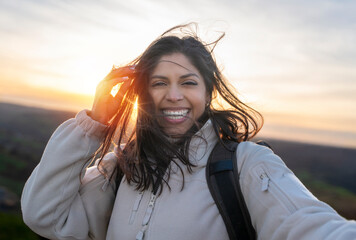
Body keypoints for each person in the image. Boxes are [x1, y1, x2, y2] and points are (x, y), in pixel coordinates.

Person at [21, 23, 356, 240]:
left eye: (188, 83)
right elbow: (44, 215)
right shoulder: (121, 169)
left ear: (208, 92)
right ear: (143, 94)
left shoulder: (247, 165)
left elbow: (311, 226)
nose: (174, 95)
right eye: (159, 83)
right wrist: (94, 123)